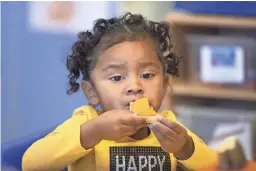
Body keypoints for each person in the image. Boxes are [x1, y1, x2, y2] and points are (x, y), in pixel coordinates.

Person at [22, 12, 217, 171]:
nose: (135, 86)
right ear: (92, 92)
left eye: (147, 75)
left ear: (165, 86)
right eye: (117, 78)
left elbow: (216, 166)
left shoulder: (168, 125)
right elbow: (31, 164)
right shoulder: (88, 122)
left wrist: (185, 149)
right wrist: (92, 132)